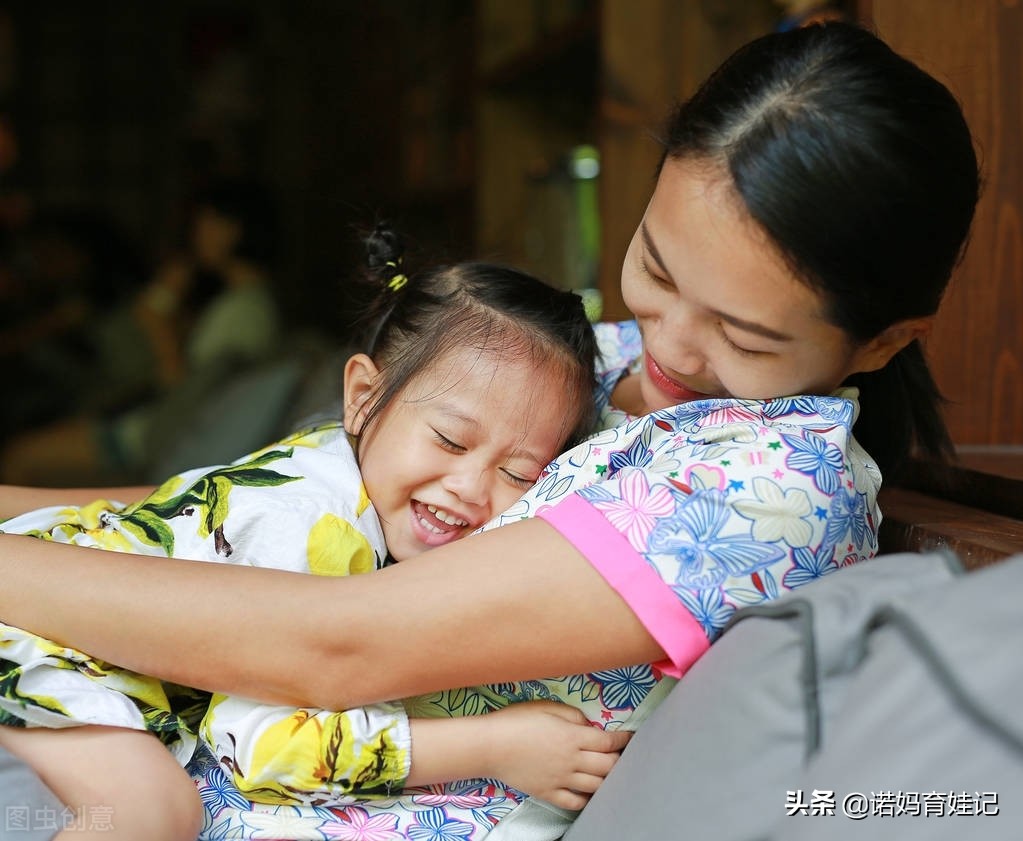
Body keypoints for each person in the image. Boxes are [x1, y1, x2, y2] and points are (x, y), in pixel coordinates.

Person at [0, 21, 980, 840]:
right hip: (187, 729)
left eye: (744, 333)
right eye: (660, 268)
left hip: (241, 779)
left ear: (882, 339)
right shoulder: (583, 360)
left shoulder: (772, 486)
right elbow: (264, 504)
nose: (669, 345)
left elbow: (338, 647)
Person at [0, 224, 615, 839]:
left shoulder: (348, 464)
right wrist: (492, 745)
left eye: (517, 473)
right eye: (450, 440)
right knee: (151, 810)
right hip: (43, 645)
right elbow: (259, 743)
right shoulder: (310, 521)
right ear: (363, 397)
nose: (471, 486)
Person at [0, 178, 283, 488]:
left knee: (17, 459)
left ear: (235, 229)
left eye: (209, 221)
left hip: (152, 436)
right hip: (148, 423)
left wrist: (155, 320)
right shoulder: (237, 301)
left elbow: (181, 388)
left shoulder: (245, 309)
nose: (197, 232)